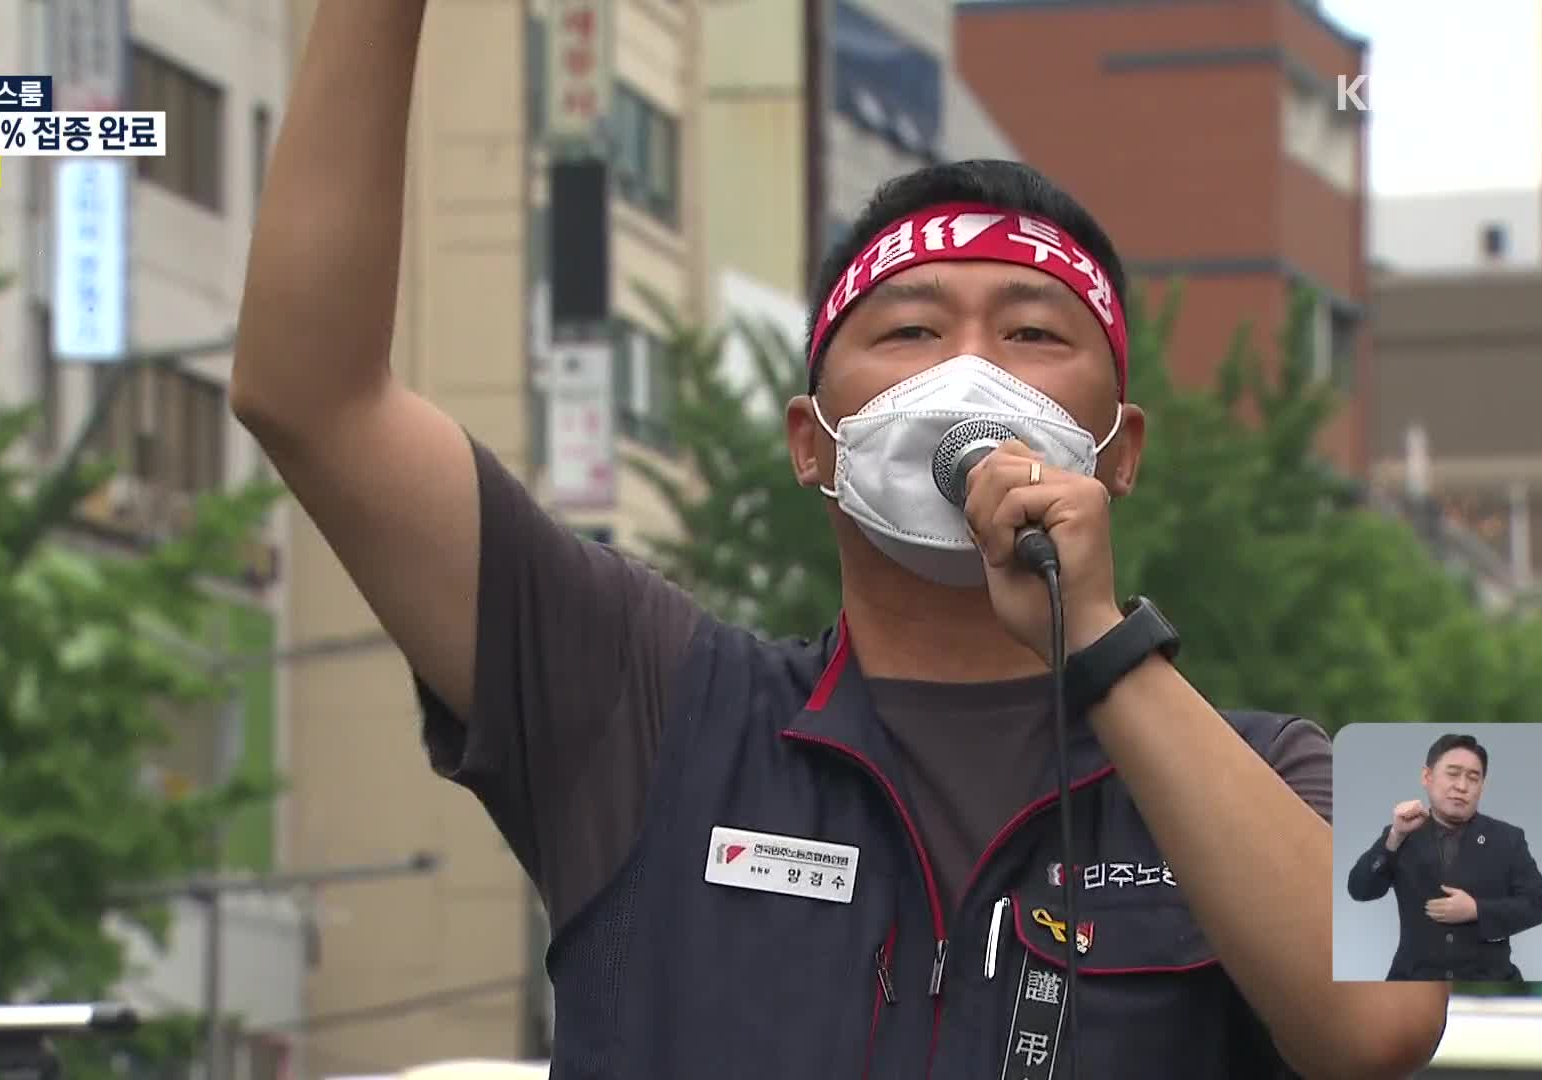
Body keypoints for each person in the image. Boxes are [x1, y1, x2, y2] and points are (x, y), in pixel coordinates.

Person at [231, 5, 1450, 1076]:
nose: (969, 370)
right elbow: (312, 398)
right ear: (814, 443)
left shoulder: (1284, 768)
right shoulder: (651, 706)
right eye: (911, 332)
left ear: (1119, 453)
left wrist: (1103, 653)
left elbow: (1383, 1028)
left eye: (1032, 335)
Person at [1346, 733, 1542, 981]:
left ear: (1482, 786)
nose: (1462, 786)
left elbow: (1538, 904)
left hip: (1488, 981)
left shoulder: (1507, 839)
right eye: (1453, 774)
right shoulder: (1404, 834)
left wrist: (1477, 910)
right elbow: (1359, 889)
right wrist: (1394, 837)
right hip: (1414, 981)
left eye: (1473, 778)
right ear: (1427, 777)